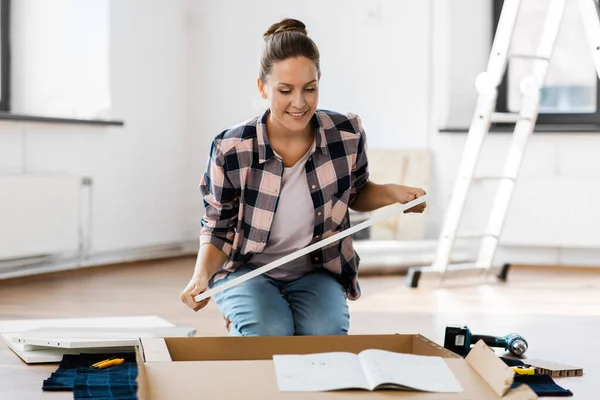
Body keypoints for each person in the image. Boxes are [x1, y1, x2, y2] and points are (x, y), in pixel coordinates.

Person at [180, 18, 427, 336]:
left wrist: (394, 193)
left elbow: (357, 193)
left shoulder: (346, 133)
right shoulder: (231, 147)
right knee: (268, 331)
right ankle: (247, 312)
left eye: (310, 89)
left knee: (326, 333)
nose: (300, 103)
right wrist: (201, 275)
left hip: (315, 270)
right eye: (285, 91)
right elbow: (217, 226)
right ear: (262, 88)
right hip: (246, 268)